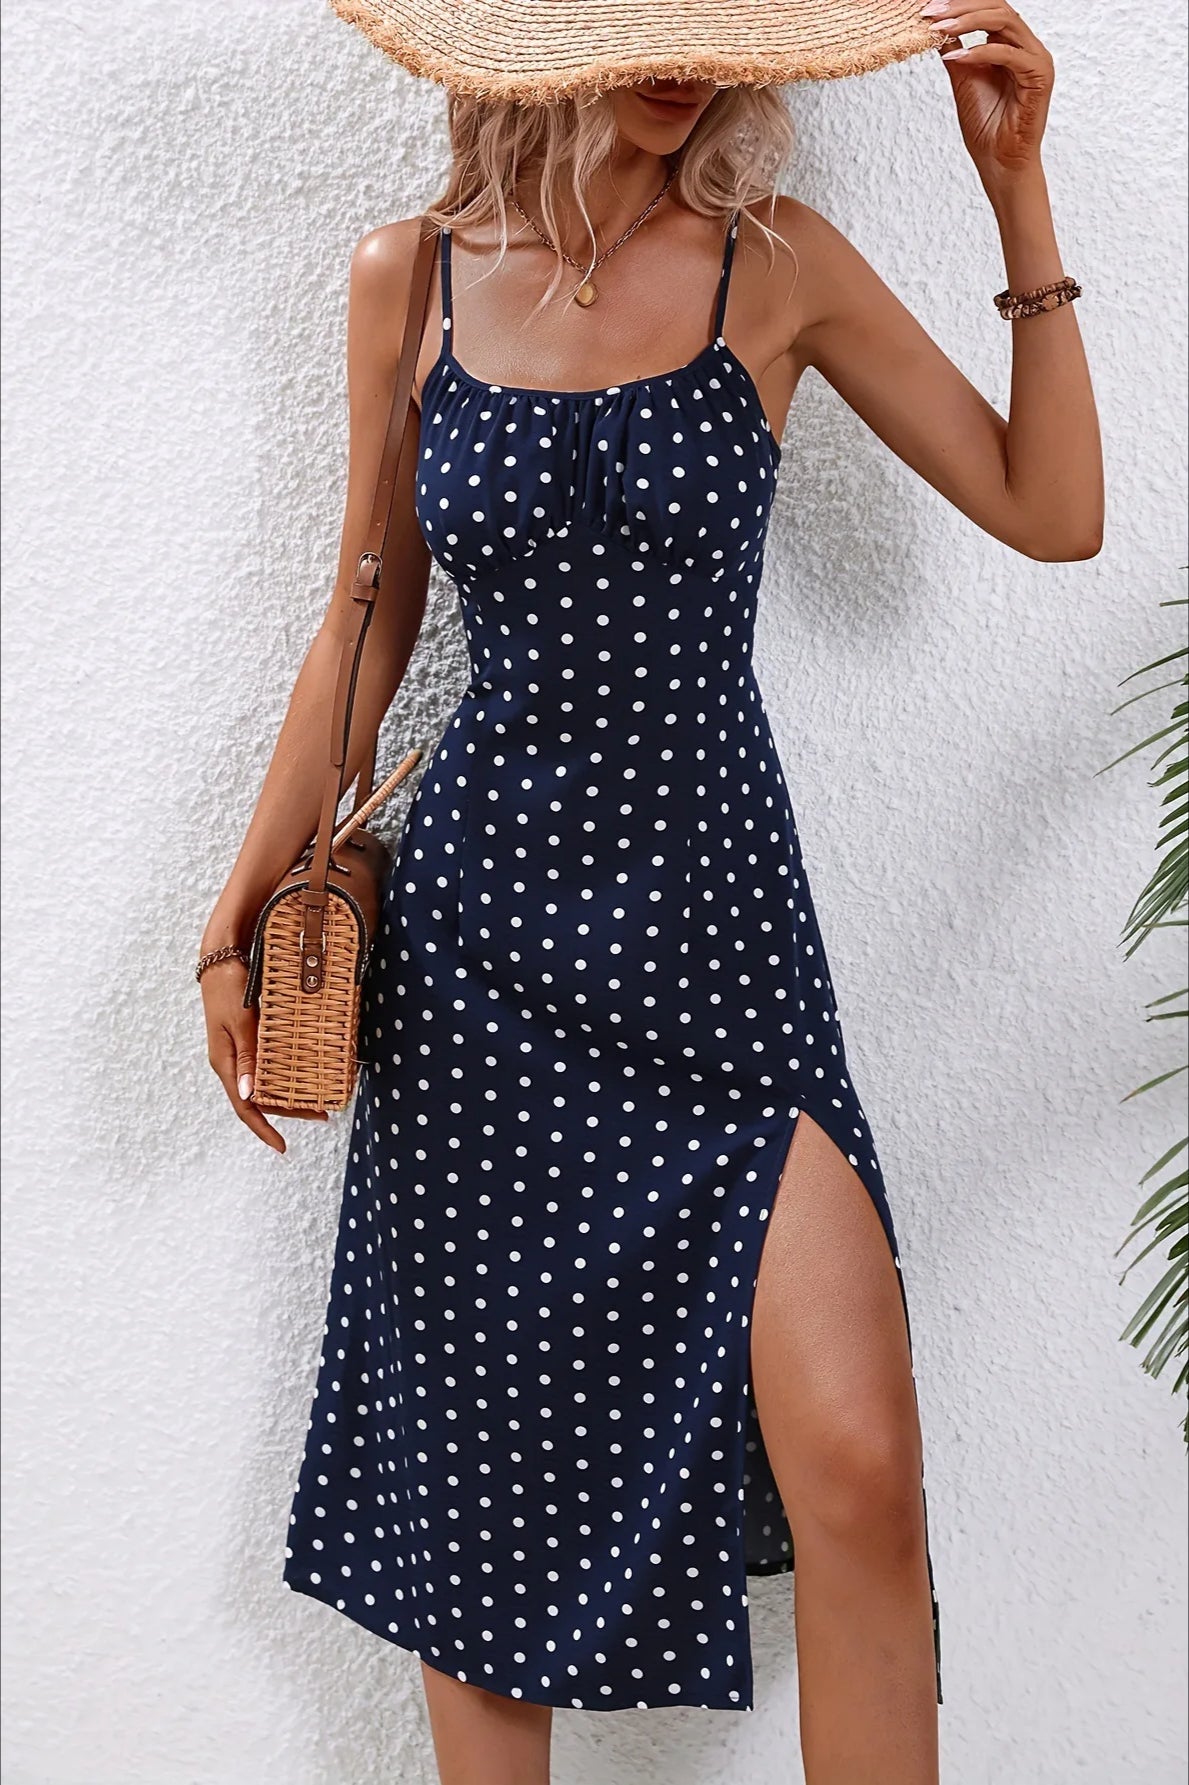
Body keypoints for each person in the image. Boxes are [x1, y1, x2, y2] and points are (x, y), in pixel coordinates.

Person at [198, 2, 1102, 1779]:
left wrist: (1015, 189)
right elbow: (364, 619)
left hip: (716, 938)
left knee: (860, 1467)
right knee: (480, 1520)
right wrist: (236, 910)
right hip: (478, 957)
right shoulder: (408, 279)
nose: (685, 58)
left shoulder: (777, 266)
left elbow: (1049, 507)